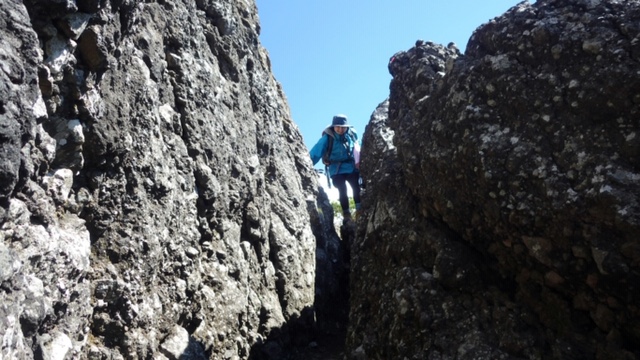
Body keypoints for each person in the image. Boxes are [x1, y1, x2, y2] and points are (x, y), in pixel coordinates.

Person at [310, 114, 361, 223]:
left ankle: (359, 211)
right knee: (342, 189)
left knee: (356, 187)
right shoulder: (327, 138)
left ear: (347, 127)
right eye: (337, 127)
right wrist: (307, 163)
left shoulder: (351, 135)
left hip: (350, 167)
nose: (340, 129)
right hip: (336, 169)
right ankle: (346, 213)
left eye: (343, 127)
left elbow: (358, 147)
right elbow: (316, 151)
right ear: (333, 127)